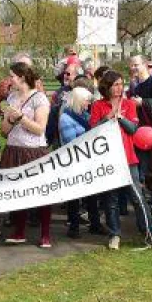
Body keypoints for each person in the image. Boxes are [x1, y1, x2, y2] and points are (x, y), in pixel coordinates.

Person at [91, 70, 152, 249]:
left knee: (137, 197)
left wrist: (120, 117)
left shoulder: (129, 104)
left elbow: (134, 129)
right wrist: (107, 118)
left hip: (128, 158)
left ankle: (151, 232)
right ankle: (114, 234)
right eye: (115, 84)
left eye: (120, 84)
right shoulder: (98, 105)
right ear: (107, 87)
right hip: (108, 159)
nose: (119, 88)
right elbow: (93, 130)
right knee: (111, 200)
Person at [0, 63, 60, 249]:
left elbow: (40, 129)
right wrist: (10, 119)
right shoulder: (11, 97)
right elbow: (3, 131)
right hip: (14, 149)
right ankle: (19, 232)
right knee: (17, 191)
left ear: (22, 77)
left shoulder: (39, 98)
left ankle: (45, 234)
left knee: (41, 191)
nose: (9, 80)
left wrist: (21, 118)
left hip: (34, 151)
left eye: (12, 76)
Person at [58, 88, 97, 239]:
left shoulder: (84, 115)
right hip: (73, 161)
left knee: (92, 194)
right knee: (74, 195)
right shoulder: (66, 118)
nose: (89, 103)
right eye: (87, 100)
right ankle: (74, 226)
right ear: (79, 100)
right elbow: (71, 141)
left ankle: (95, 224)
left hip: (87, 159)